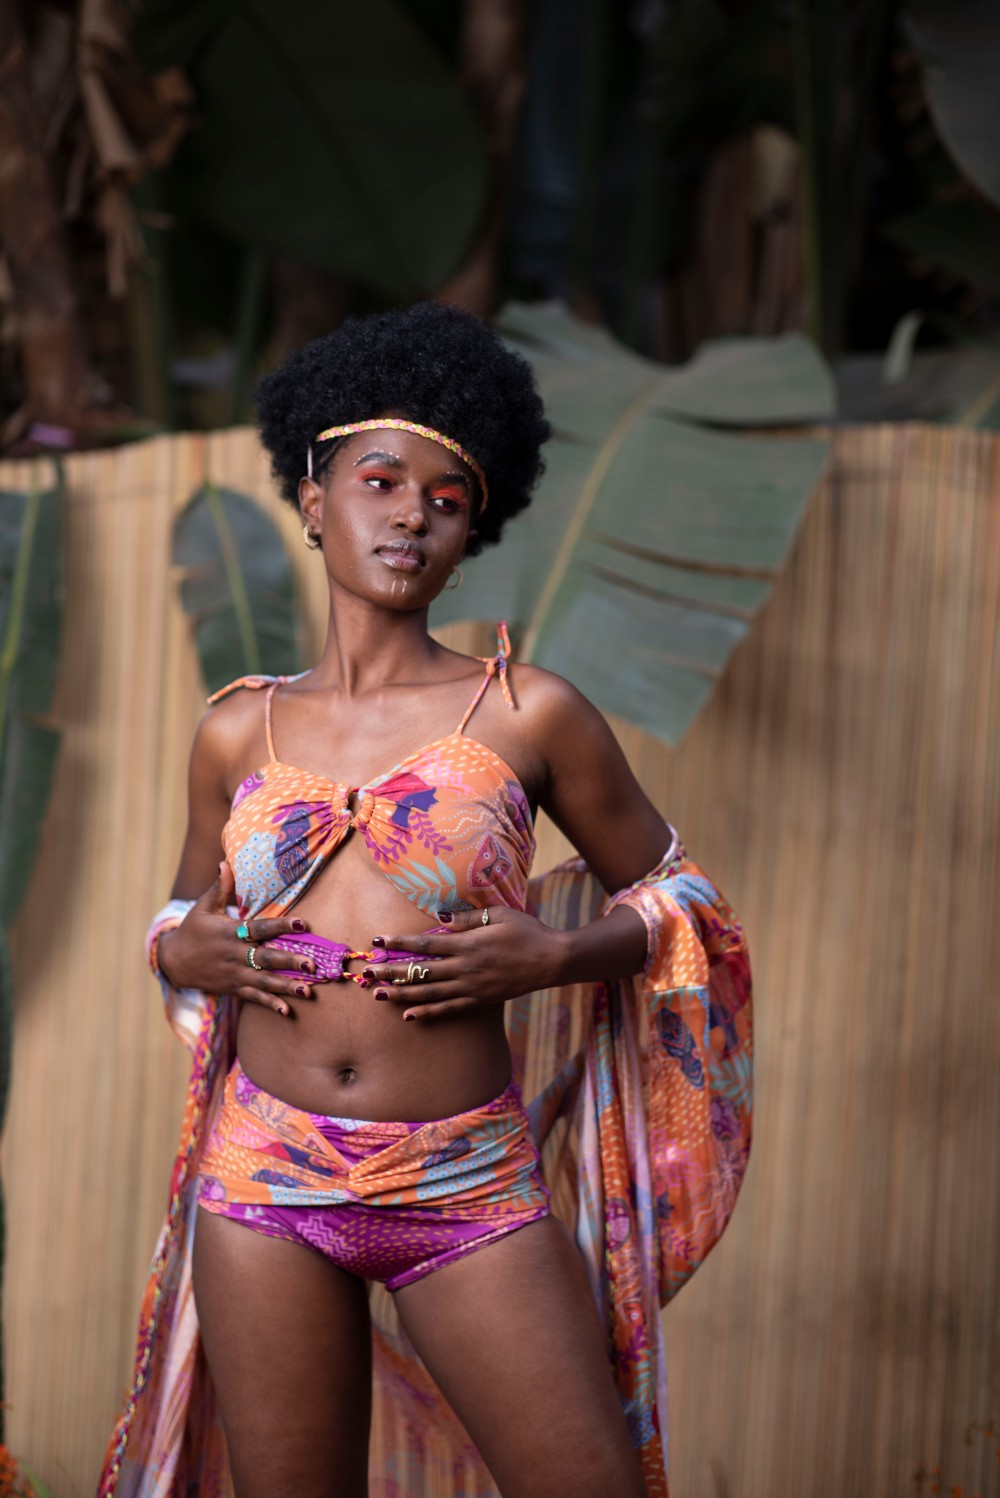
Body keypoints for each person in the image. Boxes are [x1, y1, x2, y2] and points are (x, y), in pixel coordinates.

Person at [99, 303, 753, 1498]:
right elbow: (182, 925)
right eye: (381, 479)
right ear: (312, 497)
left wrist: (549, 957)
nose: (411, 512)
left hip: (461, 1183)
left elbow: (686, 904)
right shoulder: (238, 725)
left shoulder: (527, 713)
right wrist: (184, 948)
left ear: (473, 528)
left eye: (447, 498)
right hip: (264, 1180)